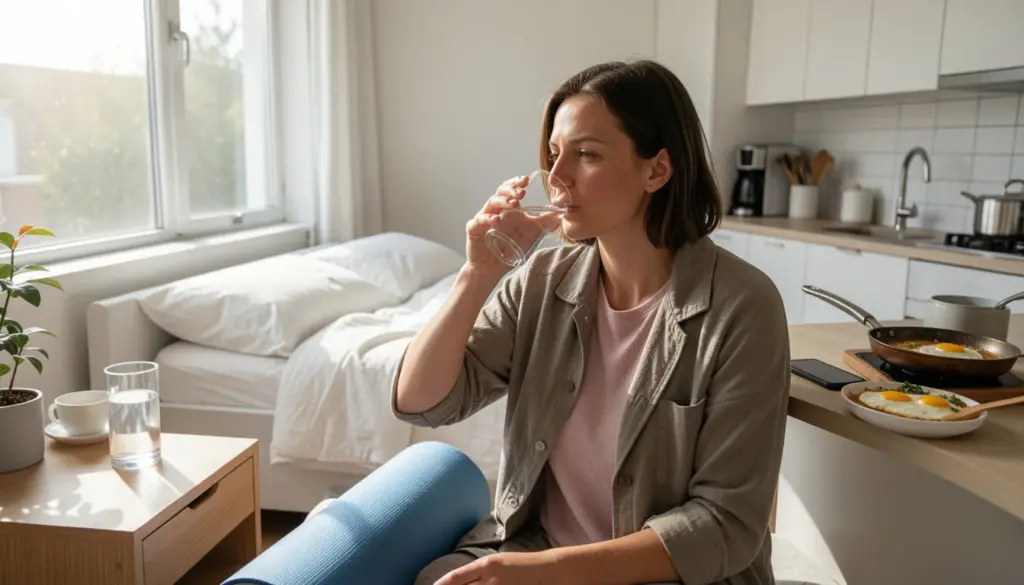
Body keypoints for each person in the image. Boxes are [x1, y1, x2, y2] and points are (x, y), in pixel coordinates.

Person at [392, 59, 791, 585]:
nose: (556, 178)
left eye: (586, 155)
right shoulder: (538, 281)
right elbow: (422, 403)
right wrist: (476, 273)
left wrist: (541, 574)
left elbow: (725, 524)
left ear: (657, 170)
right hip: (539, 549)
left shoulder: (743, 306)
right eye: (554, 156)